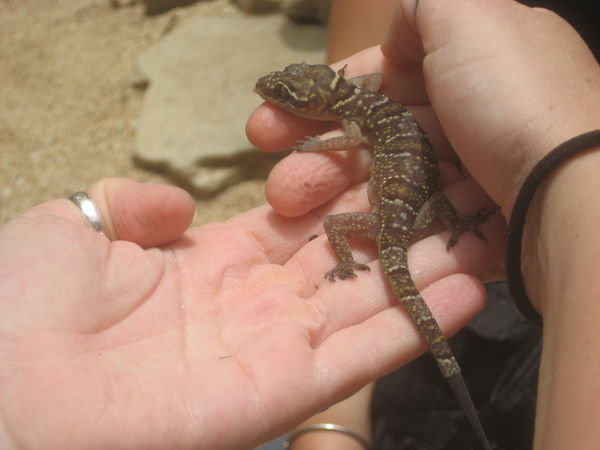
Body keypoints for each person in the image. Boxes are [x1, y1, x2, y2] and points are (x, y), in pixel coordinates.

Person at [0, 1, 598, 450]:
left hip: (397, 223)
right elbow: (364, 96)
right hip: (419, 216)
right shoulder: (365, 96)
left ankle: (351, 269)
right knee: (424, 243)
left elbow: (352, 137)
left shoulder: (356, 116)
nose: (275, 97)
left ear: (319, 100)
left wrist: (322, 147)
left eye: (285, 93)